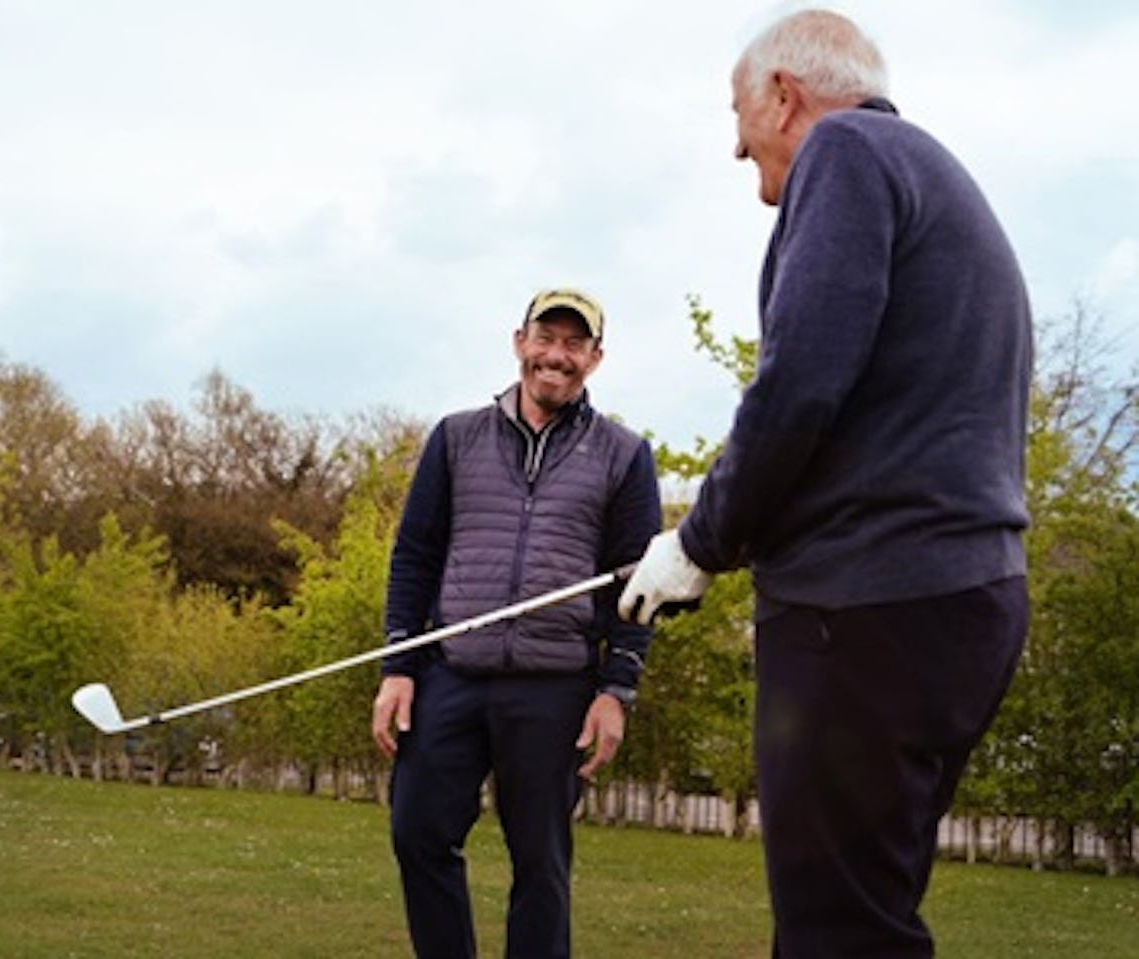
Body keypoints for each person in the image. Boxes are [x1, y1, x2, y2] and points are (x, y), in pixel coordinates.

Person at [618, 10, 1032, 957]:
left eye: (738, 112)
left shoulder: (846, 150)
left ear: (781, 94)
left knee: (836, 931)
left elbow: (801, 378)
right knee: (869, 915)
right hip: (957, 601)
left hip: (868, 609)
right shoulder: (928, 172)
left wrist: (699, 540)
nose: (734, 145)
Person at [372, 287, 663, 959]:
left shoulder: (624, 454)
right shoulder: (456, 437)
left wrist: (615, 691)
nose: (555, 355)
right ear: (519, 342)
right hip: (451, 673)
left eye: (573, 343)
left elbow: (637, 588)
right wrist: (398, 667)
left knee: (541, 863)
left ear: (595, 358)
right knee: (417, 832)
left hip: (555, 684)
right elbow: (414, 554)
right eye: (545, 338)